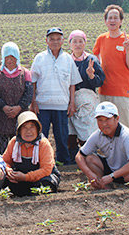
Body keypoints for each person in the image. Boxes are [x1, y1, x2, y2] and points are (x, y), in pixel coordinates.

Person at [30, 27, 82, 165]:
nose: (55, 42)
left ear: (63, 41)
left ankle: (63, 161)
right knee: (41, 136)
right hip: (43, 104)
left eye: (58, 39)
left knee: (62, 137)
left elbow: (72, 83)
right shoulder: (40, 58)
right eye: (52, 39)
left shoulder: (67, 59)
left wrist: (72, 103)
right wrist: (33, 102)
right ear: (46, 41)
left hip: (61, 105)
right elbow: (33, 81)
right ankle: (41, 161)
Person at [76, 102, 129, 189]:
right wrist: (90, 174)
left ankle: (128, 194)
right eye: (100, 120)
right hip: (113, 169)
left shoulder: (126, 135)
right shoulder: (98, 135)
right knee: (90, 158)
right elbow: (79, 156)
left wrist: (111, 176)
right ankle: (105, 186)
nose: (104, 124)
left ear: (117, 118)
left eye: (107, 119)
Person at [93, 4, 129, 129]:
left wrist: (128, 49)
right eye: (110, 18)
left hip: (121, 91)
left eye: (116, 17)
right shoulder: (101, 39)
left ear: (121, 21)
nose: (112, 20)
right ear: (105, 21)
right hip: (104, 90)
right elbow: (96, 60)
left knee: (123, 127)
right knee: (104, 127)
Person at [2, 111, 61, 197]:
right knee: (1, 179)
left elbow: (46, 169)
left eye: (32, 127)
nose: (28, 131)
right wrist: (8, 170)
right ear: (19, 130)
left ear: (37, 129)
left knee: (46, 184)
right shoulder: (14, 142)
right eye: (24, 128)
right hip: (20, 177)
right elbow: (4, 161)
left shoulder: (43, 144)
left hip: (41, 177)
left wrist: (26, 177)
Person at [67, 30, 106, 157]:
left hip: (87, 102)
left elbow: (100, 81)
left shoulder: (91, 59)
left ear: (85, 43)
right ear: (70, 44)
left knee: (87, 129)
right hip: (69, 100)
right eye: (75, 41)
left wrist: (91, 76)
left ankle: (89, 156)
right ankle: (72, 156)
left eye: (81, 41)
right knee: (70, 128)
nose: (78, 44)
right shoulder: (66, 60)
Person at [0, 42, 33, 154]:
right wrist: (4, 107)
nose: (10, 60)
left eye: (13, 57)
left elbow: (29, 94)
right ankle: (3, 168)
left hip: (19, 115)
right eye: (7, 57)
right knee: (2, 149)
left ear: (17, 57)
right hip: (1, 116)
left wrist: (18, 107)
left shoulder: (25, 73)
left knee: (20, 146)